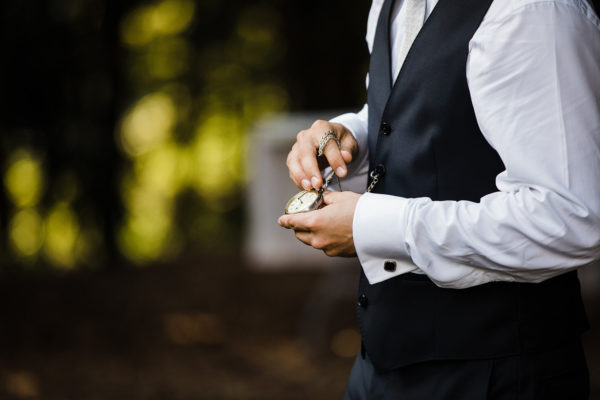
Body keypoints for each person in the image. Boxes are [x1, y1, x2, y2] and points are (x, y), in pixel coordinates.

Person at [278, 0, 600, 398]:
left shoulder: (532, 11)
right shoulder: (387, 6)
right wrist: (352, 138)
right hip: (377, 365)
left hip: (496, 374)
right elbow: (416, 112)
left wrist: (376, 227)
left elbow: (569, 217)